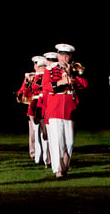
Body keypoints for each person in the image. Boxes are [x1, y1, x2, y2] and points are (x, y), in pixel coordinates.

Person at [41, 43, 88, 179]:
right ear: (58, 56)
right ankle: (58, 170)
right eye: (61, 55)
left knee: (70, 142)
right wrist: (60, 82)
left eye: (66, 55)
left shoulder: (74, 69)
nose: (64, 58)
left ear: (70, 57)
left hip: (70, 108)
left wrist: (71, 76)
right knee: (57, 141)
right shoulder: (50, 70)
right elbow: (46, 86)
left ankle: (65, 166)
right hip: (55, 108)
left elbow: (84, 84)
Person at [17, 55, 49, 166]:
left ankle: (47, 156)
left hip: (46, 104)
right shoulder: (30, 77)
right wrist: (25, 88)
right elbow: (23, 92)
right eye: (39, 66)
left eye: (43, 66)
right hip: (34, 105)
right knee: (34, 132)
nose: (41, 68)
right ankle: (36, 155)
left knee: (45, 132)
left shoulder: (47, 75)